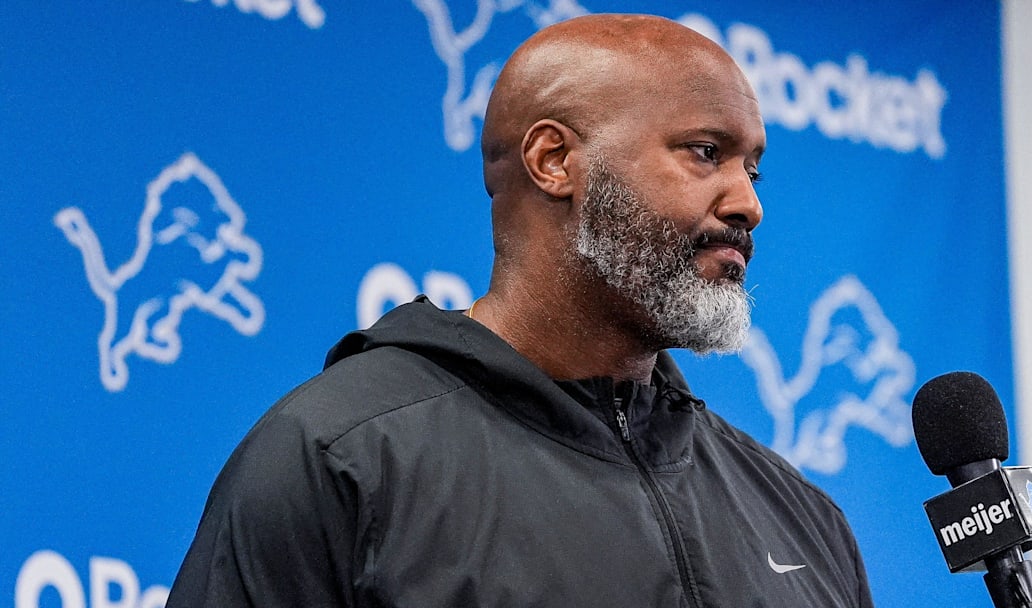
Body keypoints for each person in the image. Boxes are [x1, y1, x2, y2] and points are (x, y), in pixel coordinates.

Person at [166, 13, 874, 607]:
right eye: (705, 152)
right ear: (554, 160)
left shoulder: (800, 516)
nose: (748, 203)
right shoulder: (340, 457)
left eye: (750, 168)